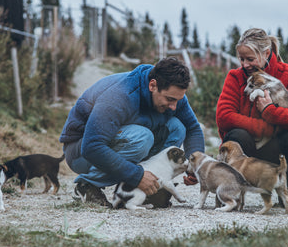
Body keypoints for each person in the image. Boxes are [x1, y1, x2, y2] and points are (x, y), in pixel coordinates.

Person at [60, 56, 204, 206]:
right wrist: (136, 175)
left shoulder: (174, 96)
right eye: (169, 99)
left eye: (177, 100)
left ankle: (149, 187)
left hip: (112, 144)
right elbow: (92, 146)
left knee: (177, 127)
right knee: (143, 137)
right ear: (152, 85)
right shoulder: (120, 95)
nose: (174, 106)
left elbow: (192, 128)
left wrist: (196, 166)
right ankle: (87, 186)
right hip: (80, 154)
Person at [215, 28, 288, 210]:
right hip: (246, 149)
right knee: (236, 135)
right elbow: (224, 116)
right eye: (241, 59)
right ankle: (231, 191)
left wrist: (271, 112)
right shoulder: (235, 77)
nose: (245, 64)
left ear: (267, 53)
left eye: (250, 59)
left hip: (274, 150)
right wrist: (265, 128)